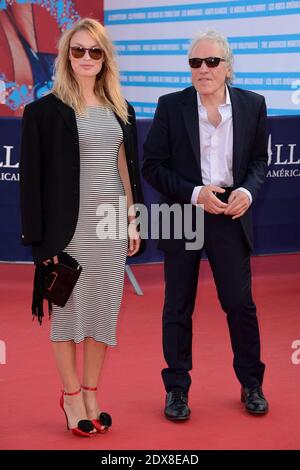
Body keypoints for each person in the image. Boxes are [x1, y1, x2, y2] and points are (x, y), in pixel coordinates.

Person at [20, 17, 143, 437]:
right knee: (68, 317)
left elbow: (126, 170)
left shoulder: (121, 109)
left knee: (102, 316)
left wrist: (132, 220)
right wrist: (42, 243)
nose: (86, 58)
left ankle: (92, 393)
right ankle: (71, 398)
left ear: (105, 57)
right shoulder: (43, 111)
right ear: (66, 56)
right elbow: (31, 183)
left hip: (109, 227)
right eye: (78, 51)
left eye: (95, 51)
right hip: (67, 231)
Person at [142, 30, 269, 421]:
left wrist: (247, 191)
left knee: (239, 303)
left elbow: (259, 162)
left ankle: (251, 384)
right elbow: (152, 166)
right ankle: (176, 389)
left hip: (231, 211)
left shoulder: (253, 105)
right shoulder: (170, 105)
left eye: (211, 62)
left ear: (228, 67)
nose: (202, 70)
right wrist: (196, 193)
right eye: (195, 63)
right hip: (183, 211)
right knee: (177, 305)